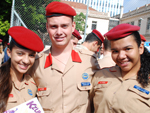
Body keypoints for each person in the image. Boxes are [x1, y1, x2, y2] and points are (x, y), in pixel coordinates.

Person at [28, 1, 100, 113]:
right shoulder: (36, 63)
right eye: (53, 26)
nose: (59, 32)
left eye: (64, 26)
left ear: (73, 26)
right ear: (47, 27)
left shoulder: (89, 61)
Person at [90, 23, 150, 113]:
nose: (121, 56)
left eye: (128, 49)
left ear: (140, 48)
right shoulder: (101, 75)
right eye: (115, 51)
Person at [0, 26, 44, 112]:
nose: (26, 61)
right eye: (20, 54)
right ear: (9, 52)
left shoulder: (32, 83)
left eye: (31, 55)